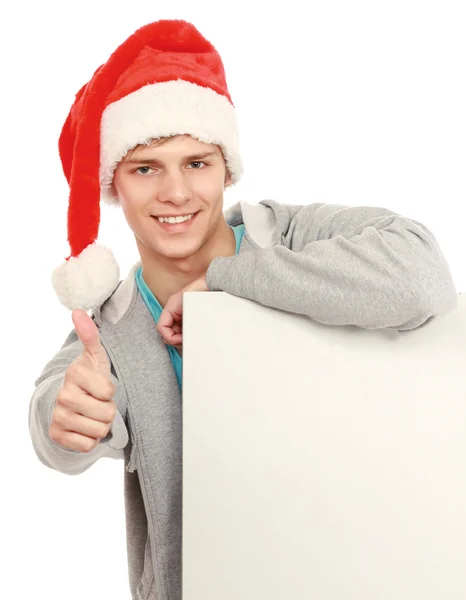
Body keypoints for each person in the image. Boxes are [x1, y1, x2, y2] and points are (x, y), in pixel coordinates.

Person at [28, 18, 458, 600]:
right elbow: (60, 412)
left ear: (227, 168)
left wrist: (226, 281)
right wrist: (66, 417)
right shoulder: (113, 326)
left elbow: (422, 279)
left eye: (197, 163)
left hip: (366, 570)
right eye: (145, 168)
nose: (175, 192)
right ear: (115, 186)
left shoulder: (292, 236)